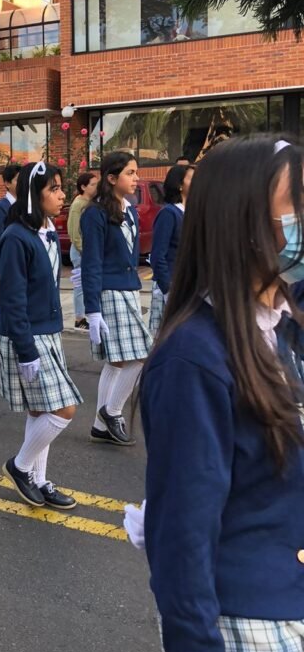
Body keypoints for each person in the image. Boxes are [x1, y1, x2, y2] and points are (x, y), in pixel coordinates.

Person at [137, 135, 304, 652]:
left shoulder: (281, 325)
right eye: (295, 208)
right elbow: (181, 553)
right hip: (251, 630)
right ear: (245, 222)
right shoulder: (195, 359)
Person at [0, 163, 81, 510]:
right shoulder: (17, 237)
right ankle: (19, 467)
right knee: (64, 410)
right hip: (28, 336)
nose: (63, 196)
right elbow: (12, 299)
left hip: (46, 332)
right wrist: (26, 350)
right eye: (55, 189)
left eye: (62, 188)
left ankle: (38, 479)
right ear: (35, 194)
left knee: (39, 412)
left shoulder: (45, 230)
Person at [80, 151, 152, 447]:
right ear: (112, 178)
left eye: (136, 172)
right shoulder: (94, 213)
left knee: (117, 362)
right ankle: (112, 411)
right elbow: (91, 263)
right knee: (140, 355)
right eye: (130, 173)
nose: (136, 178)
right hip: (110, 292)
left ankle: (100, 425)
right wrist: (92, 310)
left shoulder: (130, 209)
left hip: (128, 288)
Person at [148, 163, 193, 338]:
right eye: (192, 179)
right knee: (165, 339)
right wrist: (168, 289)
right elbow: (158, 255)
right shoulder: (169, 213)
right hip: (171, 286)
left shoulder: (191, 212)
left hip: (188, 286)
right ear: (180, 185)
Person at [67, 171, 99, 331]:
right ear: (83, 187)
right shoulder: (78, 204)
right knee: (80, 285)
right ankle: (79, 318)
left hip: (88, 250)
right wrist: (84, 251)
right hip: (80, 251)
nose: (96, 187)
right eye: (93, 185)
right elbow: (74, 232)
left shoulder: (91, 202)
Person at [0, 163, 21, 271]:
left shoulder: (26, 206)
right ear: (7, 183)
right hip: (8, 263)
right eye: (18, 180)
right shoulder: (0, 208)